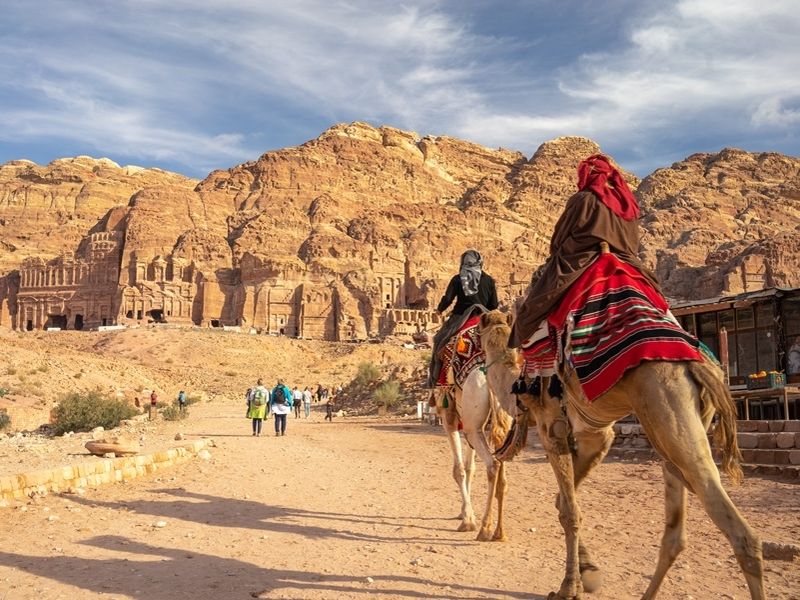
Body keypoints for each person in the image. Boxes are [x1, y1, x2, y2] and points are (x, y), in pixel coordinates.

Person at [510, 154, 660, 348]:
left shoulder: (582, 199)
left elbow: (560, 237)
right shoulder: (630, 206)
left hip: (582, 259)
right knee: (653, 289)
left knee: (538, 300)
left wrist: (557, 251)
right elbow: (633, 243)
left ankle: (528, 347)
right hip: (626, 260)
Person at [428, 249, 499, 387]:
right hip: (484, 317)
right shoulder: (489, 280)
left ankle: (438, 383)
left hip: (461, 317)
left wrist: (440, 309)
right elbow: (494, 304)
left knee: (439, 342)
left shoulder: (458, 278)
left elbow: (448, 298)